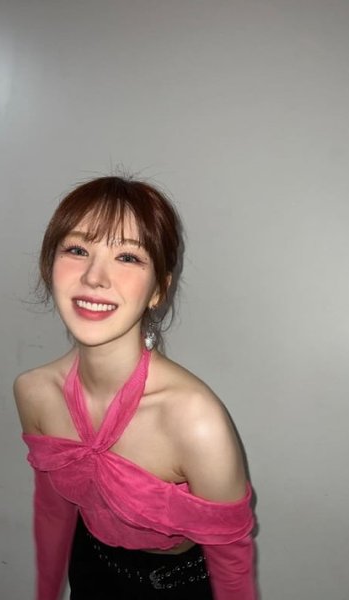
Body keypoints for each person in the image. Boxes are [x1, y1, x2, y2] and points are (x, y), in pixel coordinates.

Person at [14, 176, 257, 600]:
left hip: (176, 588)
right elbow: (53, 510)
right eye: (77, 250)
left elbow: (232, 571)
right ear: (49, 266)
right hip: (89, 568)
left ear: (158, 290)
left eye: (127, 256)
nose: (94, 277)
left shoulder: (195, 422)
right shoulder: (33, 392)